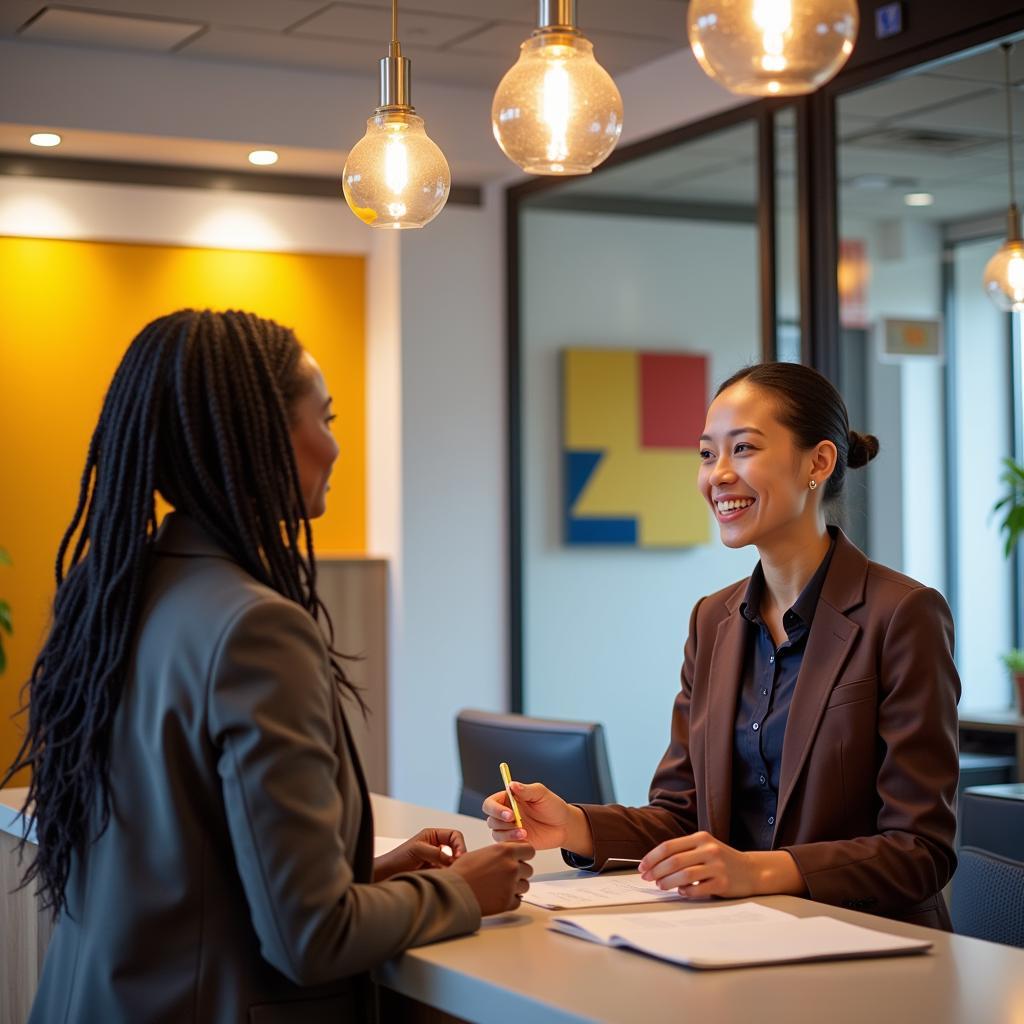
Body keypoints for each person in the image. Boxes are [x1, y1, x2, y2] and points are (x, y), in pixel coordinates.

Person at [4, 309, 534, 1023]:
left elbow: (181, 875)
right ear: (264, 436)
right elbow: (310, 939)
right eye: (326, 417)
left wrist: (362, 879)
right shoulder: (256, 628)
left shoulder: (116, 593)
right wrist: (462, 890)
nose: (337, 446)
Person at [485, 362, 960, 929]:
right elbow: (683, 814)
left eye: (744, 449)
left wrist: (760, 870)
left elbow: (920, 852)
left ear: (819, 461)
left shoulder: (902, 613)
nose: (718, 476)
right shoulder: (713, 619)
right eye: (708, 455)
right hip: (740, 937)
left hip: (873, 948)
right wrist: (573, 825)